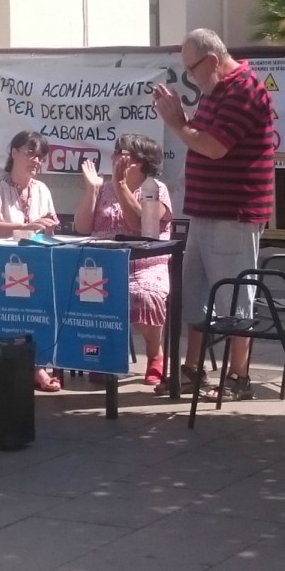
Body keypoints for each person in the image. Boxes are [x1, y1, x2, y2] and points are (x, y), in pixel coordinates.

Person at [154, 28, 276, 404]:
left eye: (191, 70)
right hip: (207, 211)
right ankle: (193, 368)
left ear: (211, 61)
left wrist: (176, 122)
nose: (189, 78)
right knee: (196, 293)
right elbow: (203, 134)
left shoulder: (244, 89)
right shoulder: (217, 91)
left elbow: (215, 146)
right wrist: (184, 118)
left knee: (234, 297)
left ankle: (238, 376)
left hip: (233, 213)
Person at [77, 133, 174, 387]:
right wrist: (92, 190)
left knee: (142, 294)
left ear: (141, 161)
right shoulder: (105, 187)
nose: (116, 157)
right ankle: (102, 356)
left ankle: (155, 354)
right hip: (104, 264)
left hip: (144, 265)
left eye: (123, 153)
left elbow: (140, 225)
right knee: (83, 292)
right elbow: (82, 226)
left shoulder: (155, 189)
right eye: (115, 152)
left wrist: (121, 186)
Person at [0, 130, 66, 392]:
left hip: (35, 267)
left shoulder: (42, 189)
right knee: (30, 299)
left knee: (61, 294)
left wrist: (48, 228)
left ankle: (57, 359)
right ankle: (35, 367)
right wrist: (26, 227)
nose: (36, 161)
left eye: (41, 157)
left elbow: (48, 228)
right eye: (31, 153)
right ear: (13, 153)